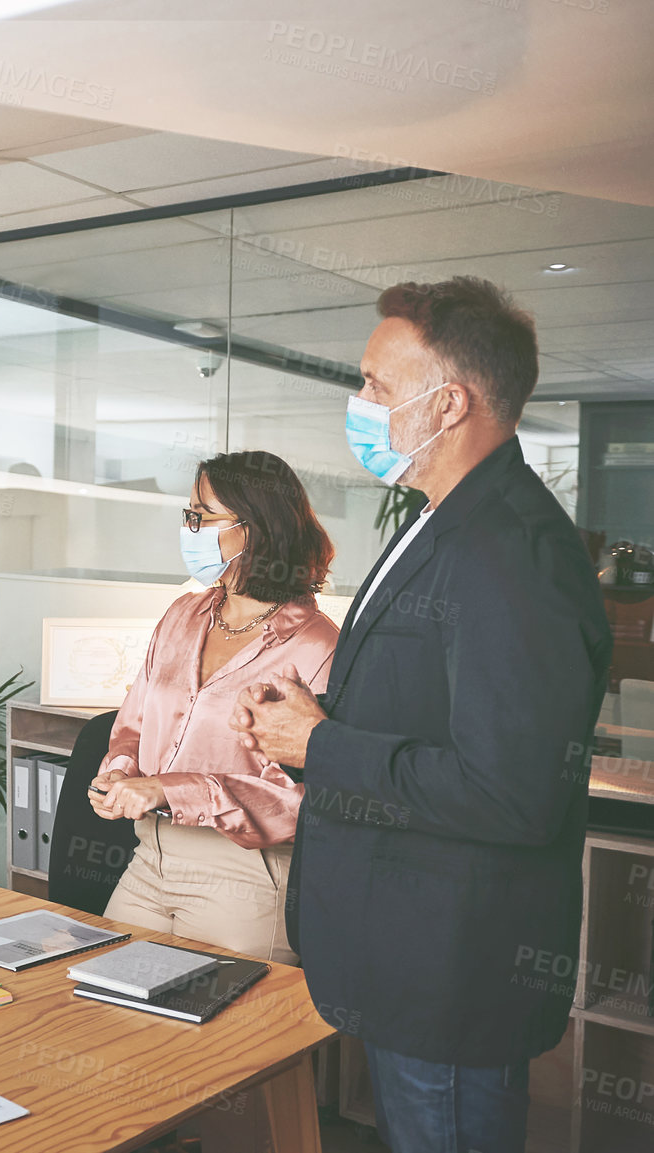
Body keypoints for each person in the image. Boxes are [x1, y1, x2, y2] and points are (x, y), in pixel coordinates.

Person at [232, 278, 612, 1153]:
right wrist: (309, 728)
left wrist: (324, 744)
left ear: (450, 402)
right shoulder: (444, 520)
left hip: (455, 978)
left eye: (374, 384)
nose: (359, 403)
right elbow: (426, 716)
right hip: (405, 958)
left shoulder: (511, 552)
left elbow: (512, 792)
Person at [90, 450, 338, 966]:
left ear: (254, 529)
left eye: (200, 516)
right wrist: (117, 776)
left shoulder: (317, 647)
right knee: (106, 1017)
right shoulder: (183, 614)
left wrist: (168, 788)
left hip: (245, 875)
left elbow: (305, 797)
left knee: (216, 1044)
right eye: (189, 515)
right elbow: (132, 725)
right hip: (149, 858)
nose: (190, 528)